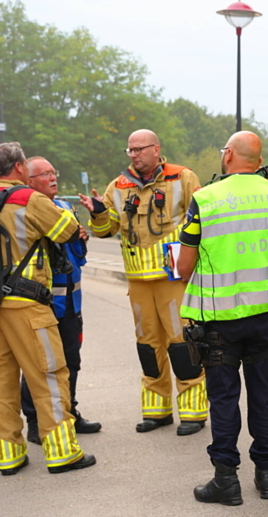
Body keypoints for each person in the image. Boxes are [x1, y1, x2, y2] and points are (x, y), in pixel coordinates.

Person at [176, 132, 268, 504]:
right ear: (259, 161)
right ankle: (267, 475)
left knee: (224, 399)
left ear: (227, 155)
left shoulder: (205, 198)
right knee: (264, 396)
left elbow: (184, 267)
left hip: (220, 320)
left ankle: (226, 480)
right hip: (266, 315)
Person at [0, 143, 96, 475]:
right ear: (20, 167)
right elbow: (67, 231)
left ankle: (8, 456)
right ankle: (62, 452)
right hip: (26, 305)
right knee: (49, 376)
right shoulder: (28, 199)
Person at [79, 130, 208, 436]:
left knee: (183, 344)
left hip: (174, 278)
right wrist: (98, 213)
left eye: (140, 149)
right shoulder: (119, 186)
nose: (134, 155)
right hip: (138, 282)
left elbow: (205, 219)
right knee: (148, 347)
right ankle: (157, 410)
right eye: (130, 150)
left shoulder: (183, 178)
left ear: (156, 149)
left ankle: (193, 411)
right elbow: (105, 229)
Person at [19, 157, 101, 444]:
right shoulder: (25, 209)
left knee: (70, 361)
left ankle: (69, 412)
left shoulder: (65, 207)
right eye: (44, 174)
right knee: (39, 364)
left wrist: (80, 238)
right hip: (40, 304)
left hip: (70, 302)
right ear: (29, 181)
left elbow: (78, 256)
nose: (53, 178)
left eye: (54, 172)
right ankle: (34, 420)